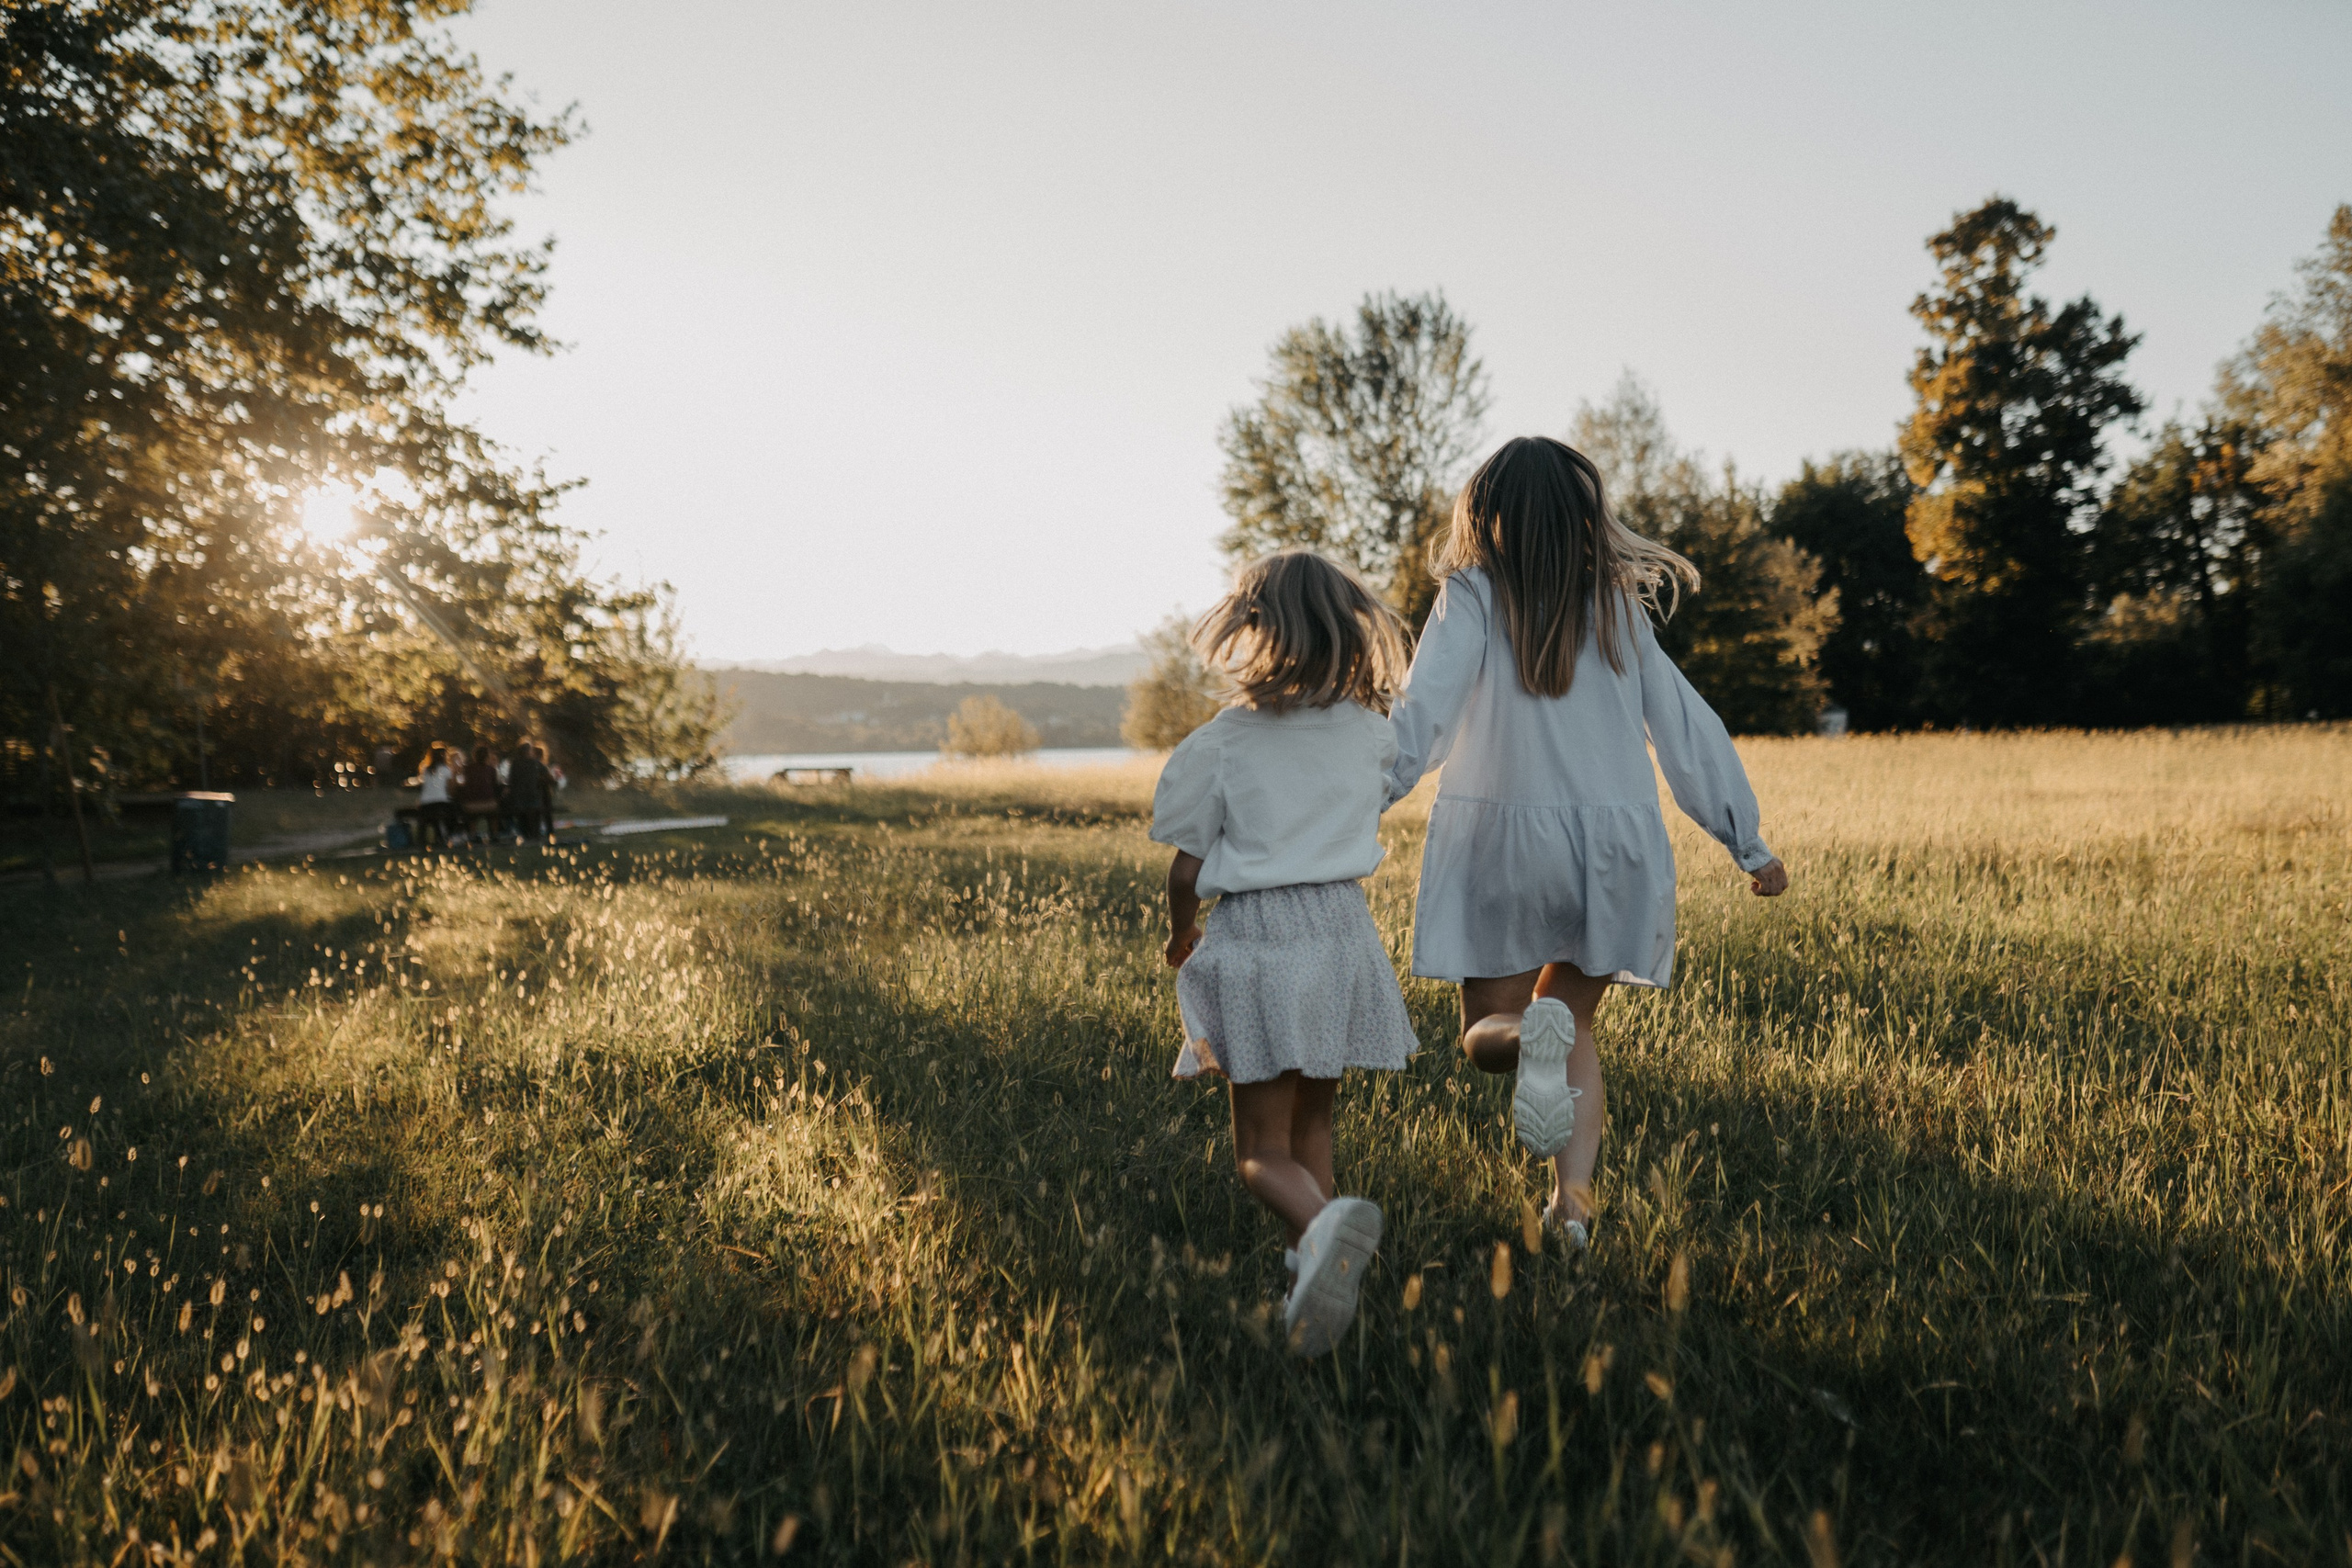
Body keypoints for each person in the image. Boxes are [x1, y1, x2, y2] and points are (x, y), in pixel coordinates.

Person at [1384, 436, 1791, 1249]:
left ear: (1485, 515)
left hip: (1502, 844)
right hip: (1613, 852)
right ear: (1584, 517)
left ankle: (1524, 1038)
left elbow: (1421, 715)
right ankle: (1571, 1211)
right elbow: (1684, 726)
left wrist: (1361, 797)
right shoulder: (1617, 607)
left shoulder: (1470, 594)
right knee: (1571, 1024)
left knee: (1489, 1031)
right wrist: (1745, 839)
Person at [1151, 550, 1419, 1357]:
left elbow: (1186, 869)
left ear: (1253, 629)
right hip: (1341, 932)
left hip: (1261, 936)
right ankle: (1315, 1270)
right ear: (1348, 630)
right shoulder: (1370, 735)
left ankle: (1324, 1227)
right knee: (1314, 1126)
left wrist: (1181, 931)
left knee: (1259, 1152)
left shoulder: (1224, 743)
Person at [458, 743, 502, 842]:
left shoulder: (467, 769)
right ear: (487, 756)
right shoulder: (491, 770)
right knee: (494, 812)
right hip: (488, 803)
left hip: (471, 804)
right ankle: (495, 834)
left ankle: (473, 834)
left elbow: (464, 784)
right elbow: (495, 786)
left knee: (472, 814)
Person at [414, 744, 457, 849]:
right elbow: (451, 789)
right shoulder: (446, 770)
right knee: (455, 811)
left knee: (431, 817)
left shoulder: (425, 770)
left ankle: (423, 840)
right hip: (440, 803)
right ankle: (450, 836)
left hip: (425, 805)